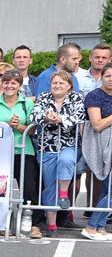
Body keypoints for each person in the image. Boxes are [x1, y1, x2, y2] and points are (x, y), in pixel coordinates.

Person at [31, 70, 86, 238]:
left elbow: (80, 116)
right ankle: (52, 224)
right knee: (49, 186)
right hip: (47, 146)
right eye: (54, 83)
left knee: (66, 160)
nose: (57, 86)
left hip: (69, 144)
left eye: (61, 83)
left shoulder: (77, 98)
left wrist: (61, 119)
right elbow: (34, 115)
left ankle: (64, 194)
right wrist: (46, 118)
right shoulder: (43, 97)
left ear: (69, 85)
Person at [0, 70, 38, 234]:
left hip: (24, 151)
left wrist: (18, 126)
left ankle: (32, 224)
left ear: (20, 86)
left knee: (29, 188)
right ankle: (2, 223)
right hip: (1, 154)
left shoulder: (27, 104)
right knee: (1, 189)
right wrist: (7, 124)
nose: (9, 86)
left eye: (13, 83)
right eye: (6, 82)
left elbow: (32, 129)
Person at [80, 63, 112, 241]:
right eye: (108, 76)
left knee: (108, 190)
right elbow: (97, 125)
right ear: (101, 77)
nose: (111, 79)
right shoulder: (94, 96)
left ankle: (99, 227)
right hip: (101, 147)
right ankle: (91, 226)